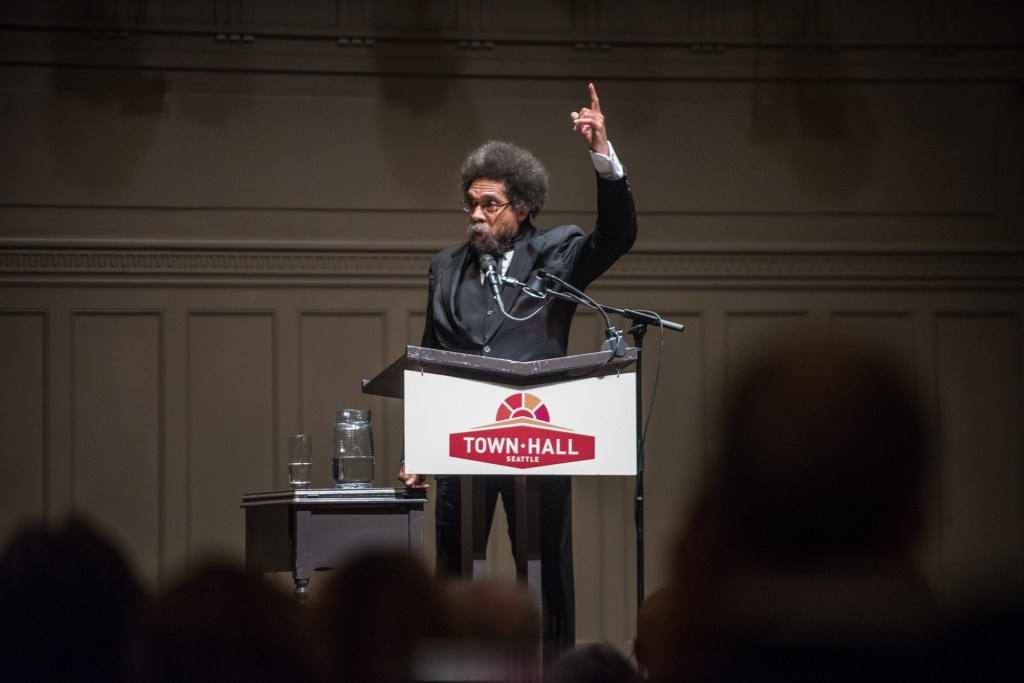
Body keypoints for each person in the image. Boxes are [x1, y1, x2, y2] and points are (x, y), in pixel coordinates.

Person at [399, 82, 638, 656]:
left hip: (539, 439)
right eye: (471, 204)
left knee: (547, 572)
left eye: (490, 205)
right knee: (455, 571)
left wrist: (603, 159)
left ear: (523, 206)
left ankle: (552, 668)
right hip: (461, 444)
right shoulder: (445, 266)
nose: (476, 215)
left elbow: (618, 236)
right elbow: (431, 356)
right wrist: (420, 447)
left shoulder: (557, 251)